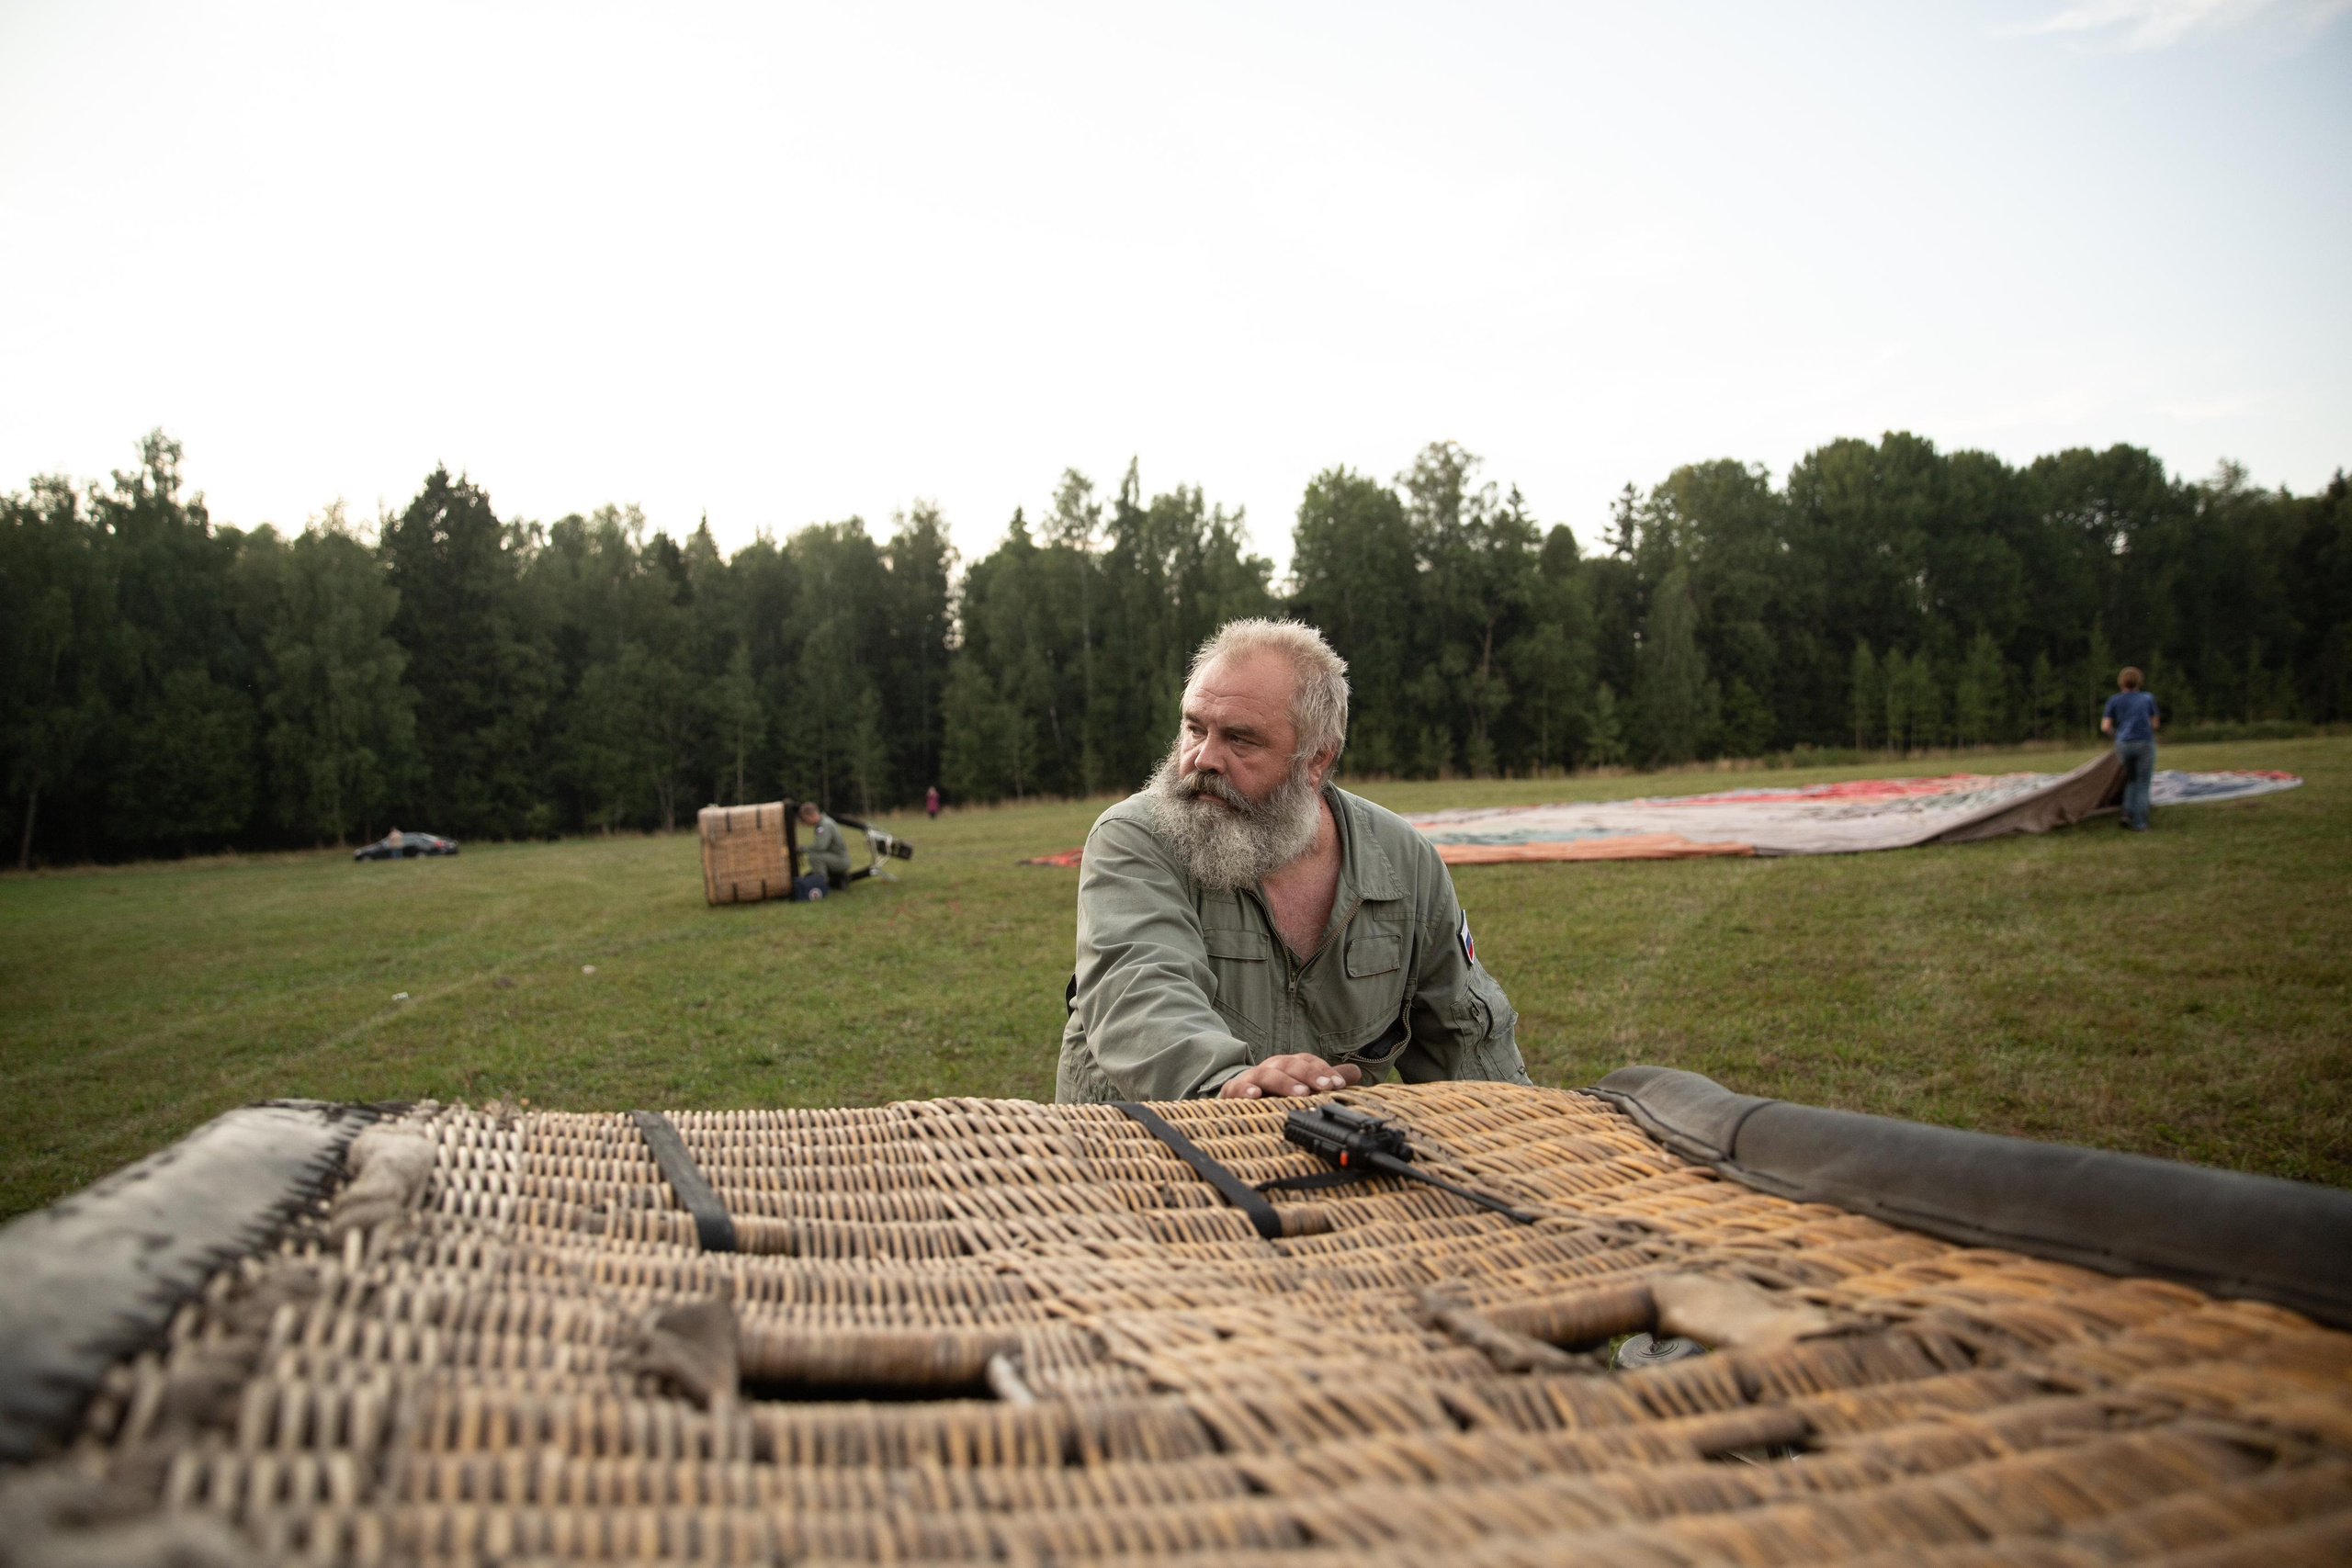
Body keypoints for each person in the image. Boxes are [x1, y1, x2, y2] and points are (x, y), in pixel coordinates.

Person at [1057, 618, 1532, 1104]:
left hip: (1316, 1162)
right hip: (1132, 1156)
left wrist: (1528, 1127)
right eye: (1195, 728)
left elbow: (1467, 1037)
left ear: (1315, 762)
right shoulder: (1136, 837)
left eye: (1241, 739)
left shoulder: (1403, 862)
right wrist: (1226, 1085)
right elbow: (1140, 995)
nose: (1203, 759)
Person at [2101, 667, 2161, 832]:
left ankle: (2126, 812)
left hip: (2123, 745)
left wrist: (2118, 735)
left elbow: (2105, 726)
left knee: (2131, 780)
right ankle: (2140, 823)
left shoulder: (2114, 700)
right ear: (2138, 681)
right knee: (2142, 783)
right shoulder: (2147, 698)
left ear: (2121, 682)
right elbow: (2155, 723)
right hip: (2144, 743)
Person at [797, 801, 853, 888]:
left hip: (841, 860)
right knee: (812, 867)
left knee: (815, 857)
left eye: (805, 819)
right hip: (836, 857)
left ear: (812, 815)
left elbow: (820, 846)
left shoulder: (824, 825)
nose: (805, 822)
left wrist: (802, 849)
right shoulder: (822, 823)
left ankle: (822, 885)